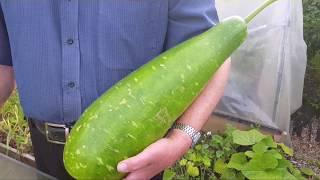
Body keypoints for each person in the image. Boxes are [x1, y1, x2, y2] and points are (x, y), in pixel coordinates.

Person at [0, 1, 231, 179]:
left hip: (133, 158)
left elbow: (214, 51)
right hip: (44, 150)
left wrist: (180, 139)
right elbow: (3, 66)